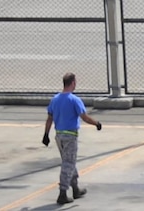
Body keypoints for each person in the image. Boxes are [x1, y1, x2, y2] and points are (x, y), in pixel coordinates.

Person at [41, 71, 102, 206]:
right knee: (68, 163)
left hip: (59, 136)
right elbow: (84, 117)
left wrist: (45, 134)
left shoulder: (55, 99)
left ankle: (75, 188)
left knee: (69, 160)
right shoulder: (74, 100)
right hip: (70, 136)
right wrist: (97, 124)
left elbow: (49, 118)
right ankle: (63, 192)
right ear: (73, 83)